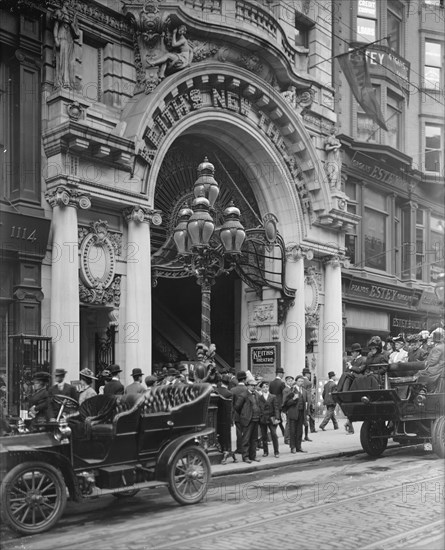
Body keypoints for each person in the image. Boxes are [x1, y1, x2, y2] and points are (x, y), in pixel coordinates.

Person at [234, 378, 261, 463]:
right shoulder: (243, 395)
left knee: (254, 439)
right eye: (252, 385)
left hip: (255, 419)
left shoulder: (256, 394)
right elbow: (237, 407)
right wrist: (244, 415)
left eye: (255, 385)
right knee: (246, 439)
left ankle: (253, 456)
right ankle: (245, 457)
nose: (253, 387)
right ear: (247, 386)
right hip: (247, 420)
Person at [53, 2, 79, 88]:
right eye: (67, 1)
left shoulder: (72, 15)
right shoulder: (59, 12)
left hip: (70, 39)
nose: (69, 2)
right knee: (62, 60)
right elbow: (56, 26)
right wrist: (56, 39)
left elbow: (77, 34)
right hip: (62, 37)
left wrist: (72, 23)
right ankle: (62, 82)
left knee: (70, 61)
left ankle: (69, 83)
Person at [215, 374, 237, 464]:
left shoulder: (216, 391)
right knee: (226, 436)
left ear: (221, 382)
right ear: (229, 383)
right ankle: (226, 450)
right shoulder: (229, 393)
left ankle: (220, 449)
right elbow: (232, 408)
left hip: (216, 418)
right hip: (226, 419)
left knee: (219, 435)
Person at [283, 376, 307, 453]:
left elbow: (306, 403)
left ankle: (299, 447)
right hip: (293, 413)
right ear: (296, 381)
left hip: (301, 413)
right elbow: (286, 403)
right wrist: (293, 399)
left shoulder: (304, 391)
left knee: (299, 431)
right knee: (292, 431)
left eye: (302, 381)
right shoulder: (291, 390)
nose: (301, 383)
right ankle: (292, 447)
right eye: (299, 381)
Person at [258, 380, 280, 458]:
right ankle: (265, 451)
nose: (265, 388)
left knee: (274, 434)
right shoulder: (259, 398)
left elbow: (276, 408)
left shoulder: (273, 396)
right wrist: (259, 417)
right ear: (261, 389)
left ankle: (276, 451)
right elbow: (258, 408)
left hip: (271, 418)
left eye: (267, 387)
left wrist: (277, 417)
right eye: (263, 387)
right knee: (264, 436)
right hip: (263, 419)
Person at [231, 371, 248, 456]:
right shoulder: (247, 389)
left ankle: (239, 448)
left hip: (237, 414)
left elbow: (231, 404)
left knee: (238, 432)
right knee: (246, 432)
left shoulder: (233, 390)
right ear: (244, 379)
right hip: (247, 414)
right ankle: (245, 448)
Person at [269, 367, 286, 437]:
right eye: (282, 374)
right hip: (279, 403)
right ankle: (273, 434)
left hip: (272, 402)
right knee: (277, 418)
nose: (283, 375)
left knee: (278, 418)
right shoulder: (282, 383)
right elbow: (283, 393)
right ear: (280, 374)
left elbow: (270, 392)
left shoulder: (271, 383)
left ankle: (283, 432)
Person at [301, 367, 317, 437]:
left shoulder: (299, 381)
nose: (310, 375)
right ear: (307, 374)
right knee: (311, 415)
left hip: (300, 401)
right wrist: (311, 403)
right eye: (309, 374)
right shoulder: (309, 383)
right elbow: (309, 394)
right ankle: (312, 429)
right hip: (307, 401)